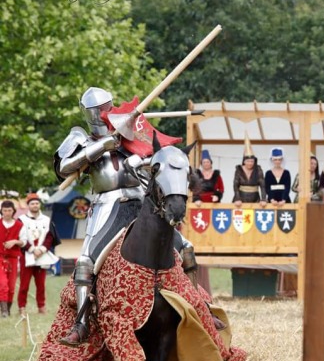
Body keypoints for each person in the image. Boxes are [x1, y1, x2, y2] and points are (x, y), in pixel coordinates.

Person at [54, 87, 200, 346]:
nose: (104, 112)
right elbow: (64, 167)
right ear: (89, 114)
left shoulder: (133, 134)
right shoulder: (82, 137)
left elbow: (157, 163)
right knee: (87, 261)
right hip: (108, 204)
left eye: (107, 106)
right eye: (98, 110)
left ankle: (199, 307)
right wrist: (102, 145)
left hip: (142, 200)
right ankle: (82, 323)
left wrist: (137, 155)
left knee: (186, 248)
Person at [18, 194, 59, 315]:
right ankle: (22, 307)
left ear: (39, 204)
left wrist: (41, 250)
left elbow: (50, 237)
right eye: (32, 203)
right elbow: (19, 237)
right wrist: (31, 249)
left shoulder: (46, 220)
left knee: (41, 285)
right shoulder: (21, 219)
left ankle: (41, 307)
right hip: (27, 255)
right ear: (28, 205)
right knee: (24, 285)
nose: (35, 205)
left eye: (37, 203)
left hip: (42, 255)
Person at [0, 200, 24, 317]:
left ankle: (8, 310)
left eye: (9, 210)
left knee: (11, 286)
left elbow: (24, 242)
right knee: (3, 284)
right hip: (0, 258)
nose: (7, 213)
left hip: (13, 259)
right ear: (1, 211)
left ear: (13, 211)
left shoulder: (19, 225)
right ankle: (4, 311)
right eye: (5, 210)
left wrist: (14, 241)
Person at [232, 134, 267, 207]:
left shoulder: (258, 169)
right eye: (248, 161)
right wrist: (237, 198)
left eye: (252, 161)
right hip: (240, 198)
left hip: (255, 198)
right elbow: (235, 185)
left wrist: (263, 199)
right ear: (244, 161)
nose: (250, 163)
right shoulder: (239, 169)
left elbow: (262, 185)